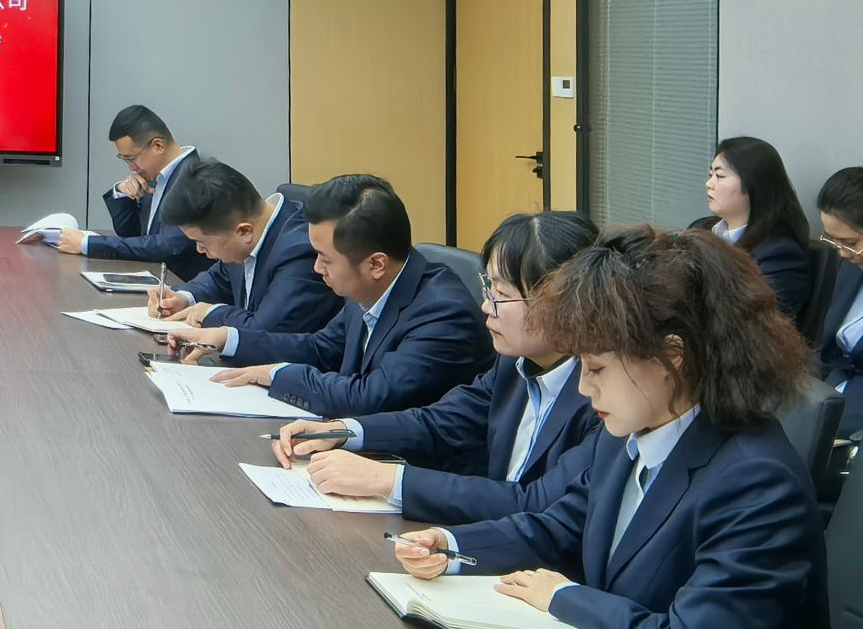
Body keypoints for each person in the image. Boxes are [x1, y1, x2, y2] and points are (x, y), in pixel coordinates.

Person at [392, 226, 863, 629]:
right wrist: (452, 546)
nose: (583, 388)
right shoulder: (630, 433)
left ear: (671, 357)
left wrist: (563, 596)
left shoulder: (756, 482)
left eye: (597, 368)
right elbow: (557, 526)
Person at [273, 210, 600, 523]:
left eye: (501, 294)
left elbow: (536, 504)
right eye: (488, 288)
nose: (486, 306)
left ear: (561, 304)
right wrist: (346, 431)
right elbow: (442, 421)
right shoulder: (514, 363)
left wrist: (389, 480)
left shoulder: (600, 395)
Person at [164, 173, 491, 416]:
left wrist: (275, 374)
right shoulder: (368, 286)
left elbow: (370, 396)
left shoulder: (443, 313)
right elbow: (322, 347)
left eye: (325, 258)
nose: (317, 268)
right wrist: (229, 339)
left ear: (375, 264)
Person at [149, 160, 333, 332]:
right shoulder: (246, 234)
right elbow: (219, 277)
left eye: (202, 243)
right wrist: (183, 297)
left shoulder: (300, 251)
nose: (199, 250)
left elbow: (264, 329)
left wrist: (211, 313)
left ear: (244, 231)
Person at [48, 105, 209, 279]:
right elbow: (132, 235)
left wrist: (88, 244)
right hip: (152, 279)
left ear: (158, 146)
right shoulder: (157, 173)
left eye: (131, 159)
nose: (131, 168)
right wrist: (123, 193)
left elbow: (168, 246)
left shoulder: (196, 178)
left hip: (181, 285)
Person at [691, 135, 812, 324]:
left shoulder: (779, 255)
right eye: (710, 175)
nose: (709, 183)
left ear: (753, 184)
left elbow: (753, 323)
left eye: (720, 176)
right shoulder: (700, 229)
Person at [812, 166, 863, 436]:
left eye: (850, 242)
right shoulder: (852, 267)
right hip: (830, 389)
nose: (842, 253)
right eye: (832, 240)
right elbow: (828, 350)